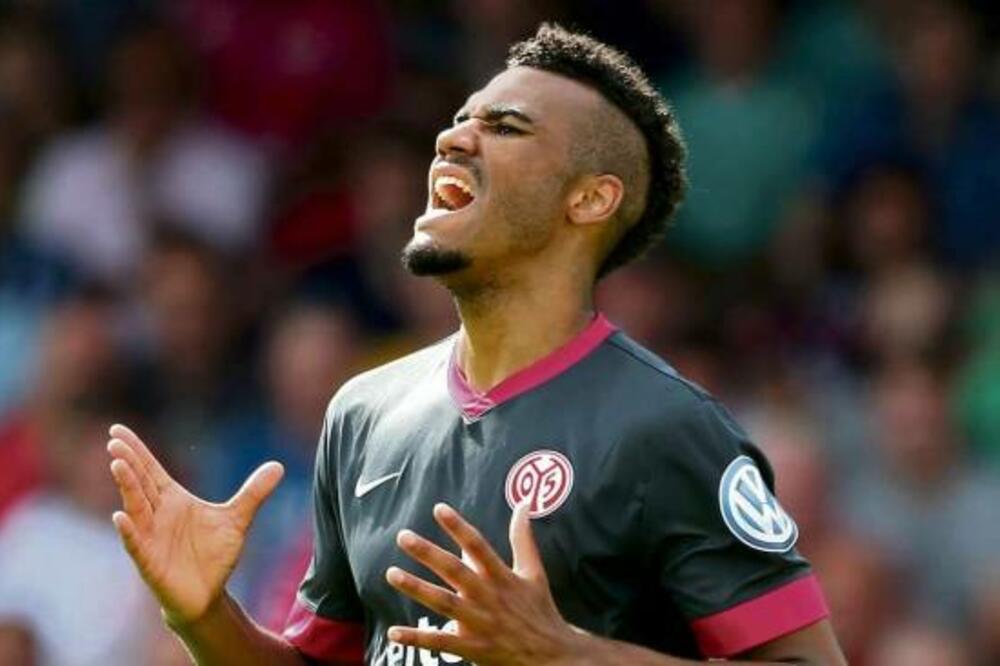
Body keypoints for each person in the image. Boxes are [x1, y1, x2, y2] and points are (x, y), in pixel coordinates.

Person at [107, 24, 845, 665]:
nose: (453, 138)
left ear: (590, 199)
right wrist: (204, 615)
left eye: (507, 127)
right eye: (461, 120)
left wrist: (564, 654)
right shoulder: (362, 414)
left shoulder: (665, 428)